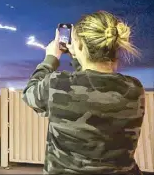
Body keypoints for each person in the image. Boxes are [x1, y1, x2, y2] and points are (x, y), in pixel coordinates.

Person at [23, 11, 146, 175]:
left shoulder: (57, 84)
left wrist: (51, 58)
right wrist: (79, 54)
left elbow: (30, 92)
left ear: (79, 45)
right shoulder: (134, 89)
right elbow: (91, 82)